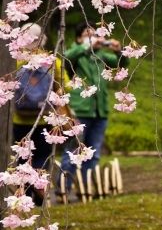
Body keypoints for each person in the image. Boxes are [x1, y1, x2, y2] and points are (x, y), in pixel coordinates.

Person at [61, 25, 127, 198]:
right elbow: (67, 58)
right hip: (79, 111)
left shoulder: (101, 57)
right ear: (78, 39)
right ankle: (64, 190)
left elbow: (121, 66)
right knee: (74, 151)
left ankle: (86, 189)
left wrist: (119, 52)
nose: (94, 38)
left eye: (96, 35)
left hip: (100, 112)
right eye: (87, 35)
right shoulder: (76, 54)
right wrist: (85, 46)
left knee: (94, 153)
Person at [12, 23, 68, 205]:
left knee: (22, 156)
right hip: (45, 118)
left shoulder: (15, 60)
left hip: (19, 119)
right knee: (43, 156)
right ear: (42, 40)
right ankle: (40, 189)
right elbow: (64, 85)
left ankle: (25, 195)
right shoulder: (52, 61)